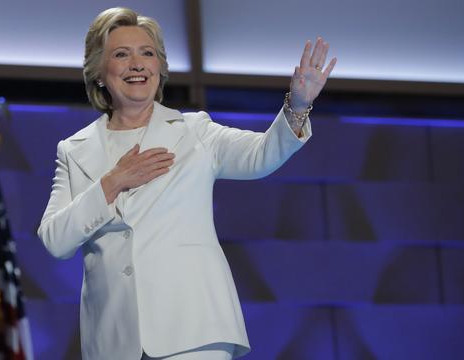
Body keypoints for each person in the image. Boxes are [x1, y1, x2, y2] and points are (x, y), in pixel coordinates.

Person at [37, 7, 336, 360]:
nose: (136, 64)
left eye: (147, 53)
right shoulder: (74, 151)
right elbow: (55, 240)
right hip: (114, 342)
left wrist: (297, 108)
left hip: (194, 331)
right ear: (99, 72)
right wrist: (113, 181)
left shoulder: (195, 131)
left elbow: (262, 154)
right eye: (121, 54)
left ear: (160, 68)